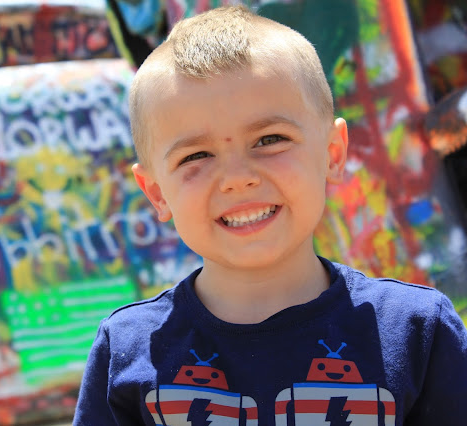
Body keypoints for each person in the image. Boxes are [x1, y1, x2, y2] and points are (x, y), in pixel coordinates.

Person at [73, 6, 467, 425]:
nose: (237, 178)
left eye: (269, 139)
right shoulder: (125, 350)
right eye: (196, 155)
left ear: (332, 154)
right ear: (155, 192)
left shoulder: (417, 332)